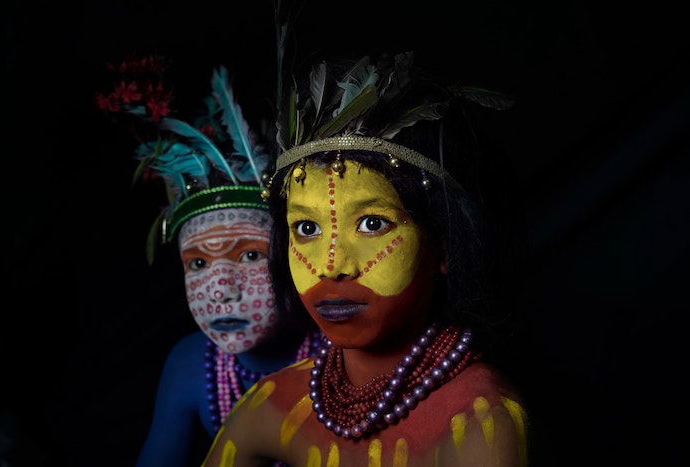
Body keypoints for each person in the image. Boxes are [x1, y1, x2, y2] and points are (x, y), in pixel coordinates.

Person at [203, 52, 527, 466]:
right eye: (306, 229)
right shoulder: (273, 403)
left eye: (373, 224)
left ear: (444, 245)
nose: (331, 265)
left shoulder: (481, 420)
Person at [97, 58, 320, 466]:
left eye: (250, 255)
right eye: (197, 264)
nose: (220, 289)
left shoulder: (342, 352)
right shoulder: (191, 364)